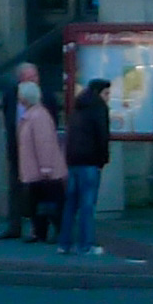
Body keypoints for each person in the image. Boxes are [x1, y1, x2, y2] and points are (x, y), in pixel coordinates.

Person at [0, 62, 58, 240]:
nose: (34, 80)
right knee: (15, 188)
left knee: (37, 190)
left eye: (35, 76)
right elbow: (8, 119)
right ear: (21, 79)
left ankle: (38, 228)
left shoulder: (46, 96)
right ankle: (14, 226)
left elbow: (52, 123)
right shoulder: (10, 95)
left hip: (37, 151)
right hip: (16, 148)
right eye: (30, 77)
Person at [59, 78, 110, 255]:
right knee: (88, 205)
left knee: (71, 204)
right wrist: (102, 160)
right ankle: (86, 245)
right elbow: (102, 137)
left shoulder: (78, 108)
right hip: (90, 161)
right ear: (98, 93)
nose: (108, 97)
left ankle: (64, 243)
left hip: (73, 161)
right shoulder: (99, 108)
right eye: (106, 93)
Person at [16, 80, 67, 244]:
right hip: (34, 169)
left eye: (20, 95)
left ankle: (58, 232)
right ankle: (39, 232)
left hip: (44, 170)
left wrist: (46, 167)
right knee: (37, 203)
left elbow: (44, 143)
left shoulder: (39, 116)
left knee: (51, 203)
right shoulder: (31, 115)